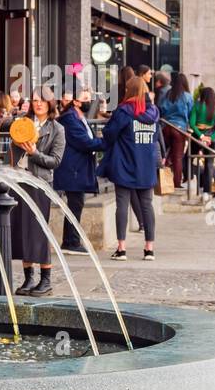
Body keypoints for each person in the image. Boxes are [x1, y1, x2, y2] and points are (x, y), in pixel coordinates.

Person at [9, 88, 65, 295]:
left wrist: (34, 153)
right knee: (21, 231)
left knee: (39, 232)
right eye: (34, 100)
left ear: (50, 103)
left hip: (40, 184)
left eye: (42, 100)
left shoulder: (57, 129)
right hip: (19, 181)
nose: (38, 104)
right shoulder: (22, 124)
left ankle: (46, 280)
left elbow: (55, 161)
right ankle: (28, 278)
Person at [101, 76, 160, 261]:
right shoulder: (154, 112)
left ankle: (122, 248)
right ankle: (149, 248)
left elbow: (109, 133)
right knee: (147, 205)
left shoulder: (124, 111)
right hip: (146, 165)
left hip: (125, 162)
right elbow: (156, 136)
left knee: (122, 205)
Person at [54, 89, 105, 255]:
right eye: (85, 98)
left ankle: (70, 240)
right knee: (75, 205)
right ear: (75, 102)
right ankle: (71, 242)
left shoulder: (78, 117)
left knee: (76, 204)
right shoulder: (70, 119)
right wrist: (107, 143)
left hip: (78, 168)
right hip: (73, 168)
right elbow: (85, 142)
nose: (89, 101)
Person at [160, 72, 194, 188]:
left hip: (166, 127)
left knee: (166, 154)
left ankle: (163, 179)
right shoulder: (187, 96)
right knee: (178, 157)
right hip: (179, 129)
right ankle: (176, 183)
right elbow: (191, 114)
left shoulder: (167, 94)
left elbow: (162, 110)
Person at [190, 85, 215, 194]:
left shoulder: (197, 106)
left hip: (196, 138)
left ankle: (189, 181)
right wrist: (210, 138)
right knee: (209, 164)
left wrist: (201, 136)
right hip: (210, 140)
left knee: (188, 159)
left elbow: (192, 124)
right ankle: (207, 192)